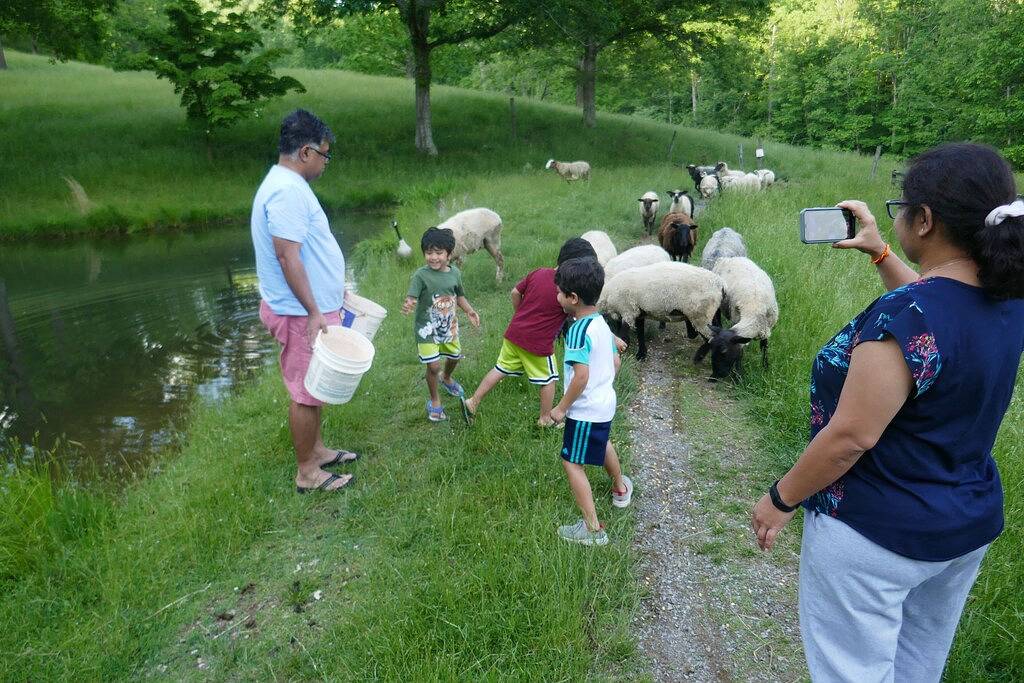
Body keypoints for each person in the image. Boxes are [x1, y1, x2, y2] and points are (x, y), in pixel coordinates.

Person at [751, 142, 1024, 681]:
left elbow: (851, 436)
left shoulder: (906, 316)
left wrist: (781, 499)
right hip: (961, 527)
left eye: (902, 207)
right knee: (918, 665)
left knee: (850, 671)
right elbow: (937, 327)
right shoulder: (1008, 297)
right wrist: (880, 254)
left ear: (925, 220)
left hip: (873, 536)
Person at [252, 109, 359, 494]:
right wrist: (315, 310)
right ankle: (306, 473)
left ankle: (317, 451)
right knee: (305, 391)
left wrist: (334, 292)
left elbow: (308, 252)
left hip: (309, 308)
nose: (326, 163)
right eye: (325, 155)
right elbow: (287, 256)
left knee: (316, 385)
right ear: (306, 152)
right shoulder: (285, 191)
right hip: (299, 313)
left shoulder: (289, 185)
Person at [460, 237, 599, 426]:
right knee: (549, 379)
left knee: (500, 369)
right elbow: (579, 316)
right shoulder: (567, 292)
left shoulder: (539, 272)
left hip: (514, 334)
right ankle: (544, 419)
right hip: (538, 344)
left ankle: (473, 402)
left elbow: (515, 293)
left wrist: (521, 314)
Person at [549, 257, 633, 545]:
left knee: (571, 462)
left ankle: (592, 528)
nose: (557, 296)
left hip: (585, 409)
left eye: (560, 292)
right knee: (604, 440)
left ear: (572, 298)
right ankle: (620, 489)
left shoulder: (576, 331)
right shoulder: (600, 323)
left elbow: (581, 376)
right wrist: (603, 383)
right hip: (604, 402)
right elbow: (615, 362)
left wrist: (561, 408)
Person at [402, 227, 481, 421]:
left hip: (449, 328)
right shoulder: (421, 275)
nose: (434, 257)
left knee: (454, 357)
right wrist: (410, 302)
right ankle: (435, 401)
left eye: (439, 253)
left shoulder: (454, 273)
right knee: (433, 366)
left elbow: (459, 295)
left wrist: (470, 310)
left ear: (449, 254)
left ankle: (446, 378)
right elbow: (412, 296)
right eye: (429, 253)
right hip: (426, 331)